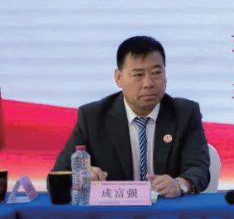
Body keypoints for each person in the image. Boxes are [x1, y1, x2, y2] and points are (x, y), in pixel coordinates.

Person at [53, 36, 210, 197]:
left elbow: (199, 169)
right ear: (118, 78)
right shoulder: (93, 117)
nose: (148, 83)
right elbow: (59, 174)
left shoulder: (185, 113)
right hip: (114, 210)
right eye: (138, 75)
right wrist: (82, 175)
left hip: (165, 208)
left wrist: (180, 184)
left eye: (156, 73)